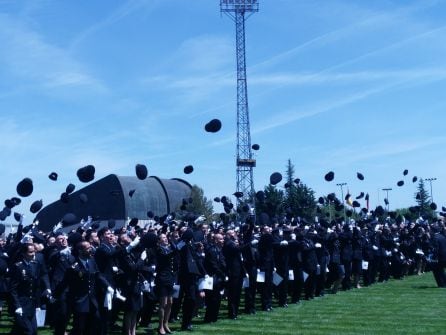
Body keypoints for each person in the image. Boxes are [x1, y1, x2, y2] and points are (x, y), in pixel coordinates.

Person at [57, 240, 109, 335]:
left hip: (92, 300)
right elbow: (65, 283)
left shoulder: (92, 261)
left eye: (90, 247)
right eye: (88, 248)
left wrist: (108, 286)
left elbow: (98, 275)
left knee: (96, 321)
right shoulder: (74, 266)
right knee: (79, 327)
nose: (91, 250)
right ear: (80, 251)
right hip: (80, 301)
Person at [9, 243, 51, 335]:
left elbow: (38, 283)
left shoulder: (36, 264)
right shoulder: (18, 267)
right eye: (30, 252)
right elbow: (13, 289)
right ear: (24, 253)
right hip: (21, 303)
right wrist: (17, 306)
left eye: (34, 252)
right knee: (29, 331)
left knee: (33, 331)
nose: (33, 254)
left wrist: (47, 289)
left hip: (32, 303)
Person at [154, 233, 176, 334]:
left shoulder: (168, 248)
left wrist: (172, 243)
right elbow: (166, 257)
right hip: (162, 278)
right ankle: (160, 325)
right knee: (163, 303)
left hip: (169, 277)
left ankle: (166, 322)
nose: (165, 239)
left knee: (170, 302)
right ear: (159, 241)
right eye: (163, 238)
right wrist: (176, 248)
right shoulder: (159, 249)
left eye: (165, 237)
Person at [203, 233, 226, 323]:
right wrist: (222, 274)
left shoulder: (219, 250)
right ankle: (209, 318)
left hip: (218, 277)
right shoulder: (212, 250)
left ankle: (214, 317)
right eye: (221, 239)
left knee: (217, 298)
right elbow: (213, 265)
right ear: (216, 240)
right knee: (212, 298)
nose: (223, 241)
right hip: (213, 277)